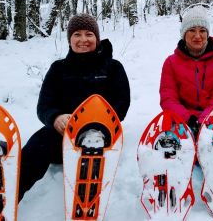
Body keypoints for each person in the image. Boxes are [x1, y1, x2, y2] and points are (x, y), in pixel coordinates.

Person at [19, 13, 130, 201]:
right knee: (39, 142)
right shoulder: (58, 69)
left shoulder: (113, 68)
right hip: (63, 135)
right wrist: (55, 118)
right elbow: (44, 105)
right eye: (77, 34)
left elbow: (122, 104)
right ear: (70, 39)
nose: (83, 40)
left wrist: (98, 123)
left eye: (89, 34)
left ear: (97, 37)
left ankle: (88, 204)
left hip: (102, 134)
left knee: (93, 144)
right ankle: (7, 196)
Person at [159, 4, 213, 139]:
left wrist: (205, 120)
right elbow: (168, 98)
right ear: (184, 34)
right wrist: (188, 119)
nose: (198, 36)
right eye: (192, 30)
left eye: (202, 30)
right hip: (181, 120)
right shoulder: (171, 62)